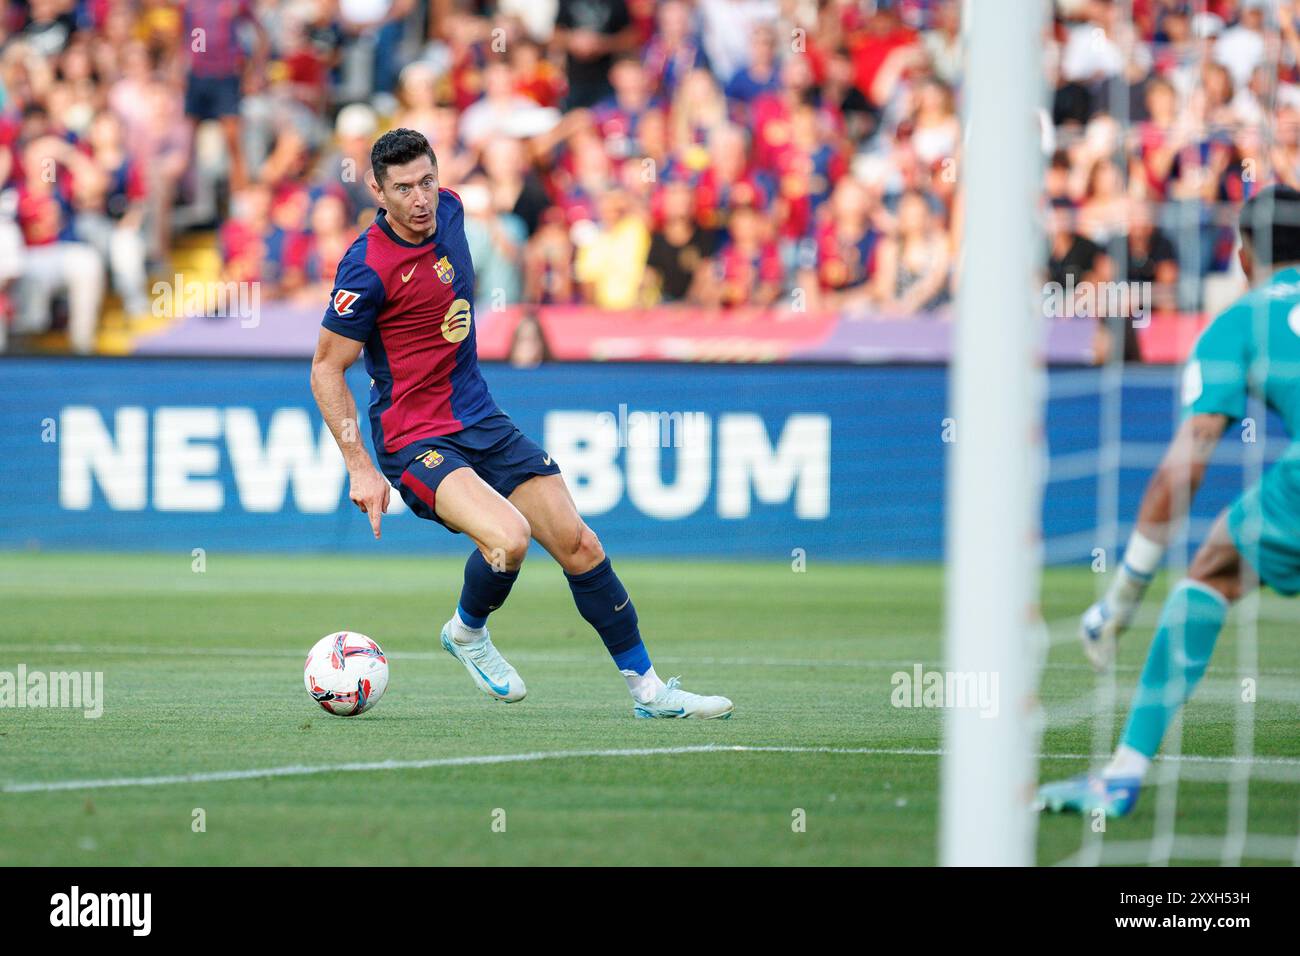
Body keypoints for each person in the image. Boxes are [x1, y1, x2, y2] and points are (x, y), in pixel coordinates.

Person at [309, 129, 733, 719]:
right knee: (509, 539)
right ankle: (467, 631)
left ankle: (650, 692)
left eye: (427, 181)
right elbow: (327, 369)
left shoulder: (455, 212)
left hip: (481, 418)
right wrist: (359, 466)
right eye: (403, 189)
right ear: (378, 191)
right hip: (414, 438)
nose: (421, 199)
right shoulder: (366, 266)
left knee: (580, 544)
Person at [1038, 185, 1300, 817]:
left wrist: (1122, 596)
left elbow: (1181, 470)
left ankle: (1122, 775)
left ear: (1242, 256)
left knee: (1211, 571)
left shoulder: (1240, 323)